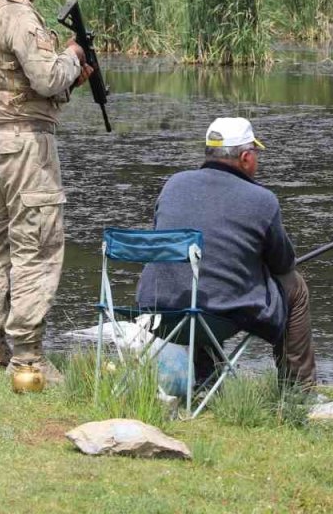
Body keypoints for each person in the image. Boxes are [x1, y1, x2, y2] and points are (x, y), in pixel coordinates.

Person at [0, 0, 92, 383]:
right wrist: (74, 57)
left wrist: (67, 77)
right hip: (25, 146)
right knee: (37, 245)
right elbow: (43, 77)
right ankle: (28, 358)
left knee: (0, 242)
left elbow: (12, 78)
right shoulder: (20, 15)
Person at [136, 117, 317, 389]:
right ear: (245, 158)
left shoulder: (174, 183)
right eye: (255, 153)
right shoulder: (262, 199)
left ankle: (205, 377)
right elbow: (283, 264)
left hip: (157, 312)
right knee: (295, 286)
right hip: (214, 317)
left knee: (200, 281)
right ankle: (299, 389)